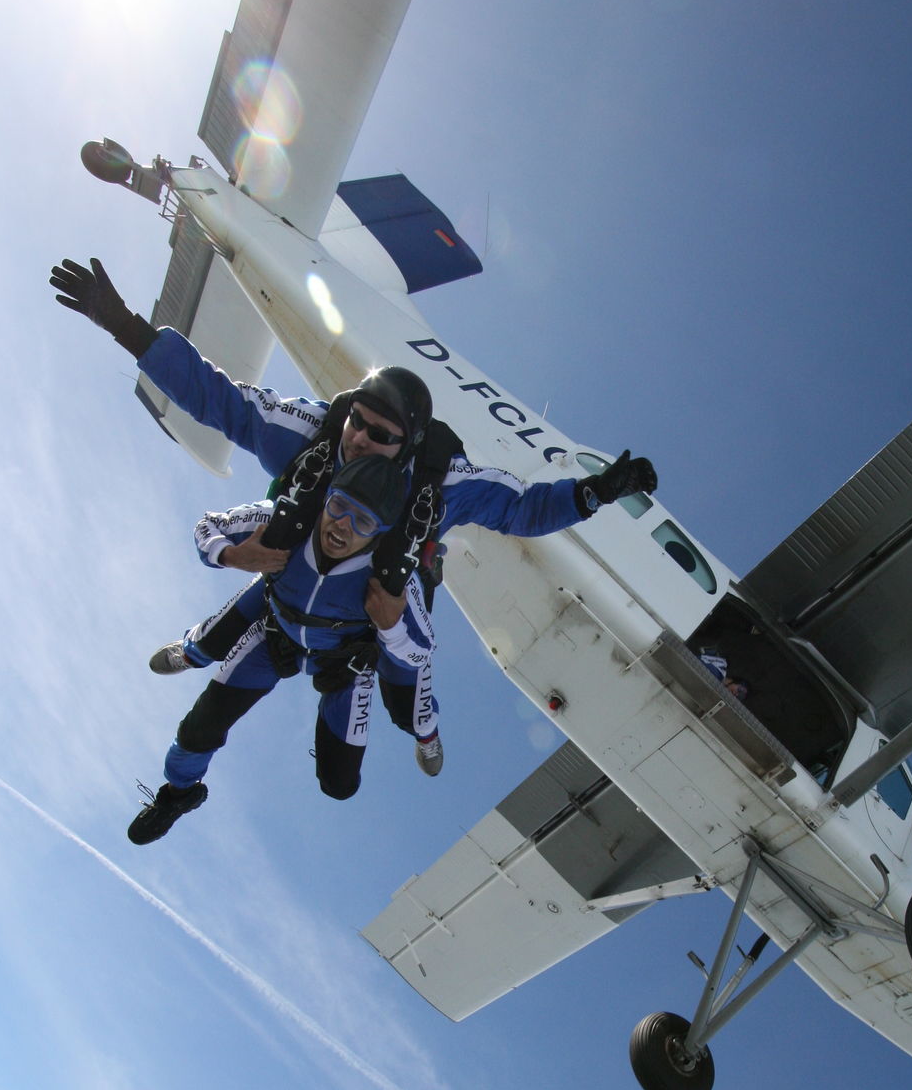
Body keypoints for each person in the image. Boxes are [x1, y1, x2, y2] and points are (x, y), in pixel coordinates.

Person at [49, 255, 658, 783]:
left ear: (409, 445)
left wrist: (595, 491)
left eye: (382, 434)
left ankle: (426, 733)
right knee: (226, 641)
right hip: (292, 578)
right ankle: (197, 652)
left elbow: (519, 508)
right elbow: (221, 399)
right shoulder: (311, 434)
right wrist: (127, 328)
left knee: (399, 703)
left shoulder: (437, 482)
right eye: (357, 422)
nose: (361, 438)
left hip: (370, 609)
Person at [124, 447, 434, 842]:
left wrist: (391, 629)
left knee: (339, 783)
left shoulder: (395, 576)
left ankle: (425, 726)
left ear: (382, 534)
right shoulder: (289, 518)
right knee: (200, 726)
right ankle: (177, 791)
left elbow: (421, 654)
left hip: (345, 663)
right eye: (338, 506)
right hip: (274, 632)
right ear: (325, 496)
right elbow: (208, 525)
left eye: (363, 522)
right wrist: (232, 554)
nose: (342, 526)